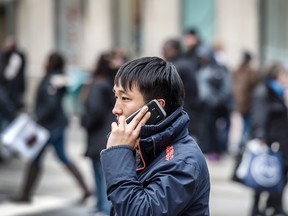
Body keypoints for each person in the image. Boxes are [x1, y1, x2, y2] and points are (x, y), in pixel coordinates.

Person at [100, 56, 210, 215]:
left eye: (125, 98)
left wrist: (118, 152)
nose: (116, 109)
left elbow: (140, 212)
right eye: (116, 97)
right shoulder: (144, 145)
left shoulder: (184, 161)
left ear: (155, 109)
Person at [14, 52, 91, 203]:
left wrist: (37, 119)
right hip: (55, 126)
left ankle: (25, 195)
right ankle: (86, 189)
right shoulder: (57, 78)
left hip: (50, 127)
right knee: (60, 157)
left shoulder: (52, 80)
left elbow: (50, 104)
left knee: (36, 158)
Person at [81, 52, 121, 215]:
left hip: (99, 134)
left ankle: (104, 208)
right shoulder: (112, 84)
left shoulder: (98, 85)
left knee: (101, 174)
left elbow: (95, 111)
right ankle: (101, 205)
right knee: (101, 172)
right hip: (106, 132)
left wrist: (86, 123)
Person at [249, 62, 288, 216]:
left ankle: (274, 205)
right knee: (263, 174)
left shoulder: (278, 92)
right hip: (270, 141)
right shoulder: (263, 91)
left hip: (281, 141)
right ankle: (257, 207)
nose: (285, 79)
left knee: (279, 174)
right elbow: (259, 115)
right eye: (283, 75)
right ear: (275, 75)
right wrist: (260, 137)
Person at [161, 38, 202, 143]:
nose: (163, 52)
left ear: (176, 50)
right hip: (188, 108)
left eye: (167, 49)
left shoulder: (177, 66)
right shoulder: (182, 63)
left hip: (186, 108)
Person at [233, 51, 260, 151]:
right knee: (247, 126)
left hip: (240, 104)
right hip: (248, 104)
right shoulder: (250, 72)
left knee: (245, 125)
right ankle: (241, 145)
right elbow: (256, 85)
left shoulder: (238, 70)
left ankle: (241, 145)